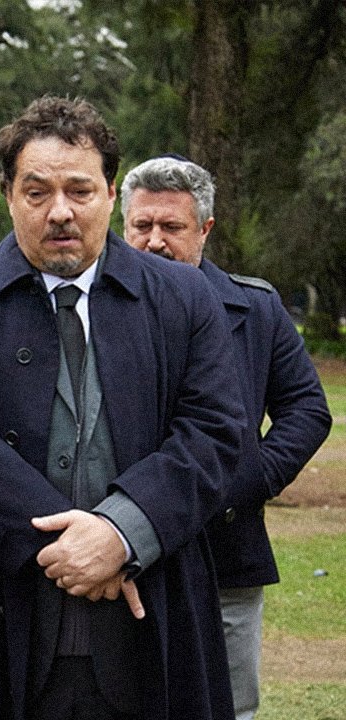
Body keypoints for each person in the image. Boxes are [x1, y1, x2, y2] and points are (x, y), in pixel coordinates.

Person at [0, 96, 245, 720]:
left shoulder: (182, 296)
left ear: (111, 194)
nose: (59, 211)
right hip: (0, 619)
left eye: (79, 190)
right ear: (8, 196)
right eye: (37, 192)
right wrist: (75, 547)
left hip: (151, 614)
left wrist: (123, 533)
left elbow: (216, 432)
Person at [121, 155, 331, 720]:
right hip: (118, 555)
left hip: (225, 555)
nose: (155, 242)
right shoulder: (87, 308)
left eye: (172, 227)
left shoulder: (255, 308)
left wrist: (246, 478)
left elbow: (307, 409)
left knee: (227, 709)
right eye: (142, 226)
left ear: (205, 229)